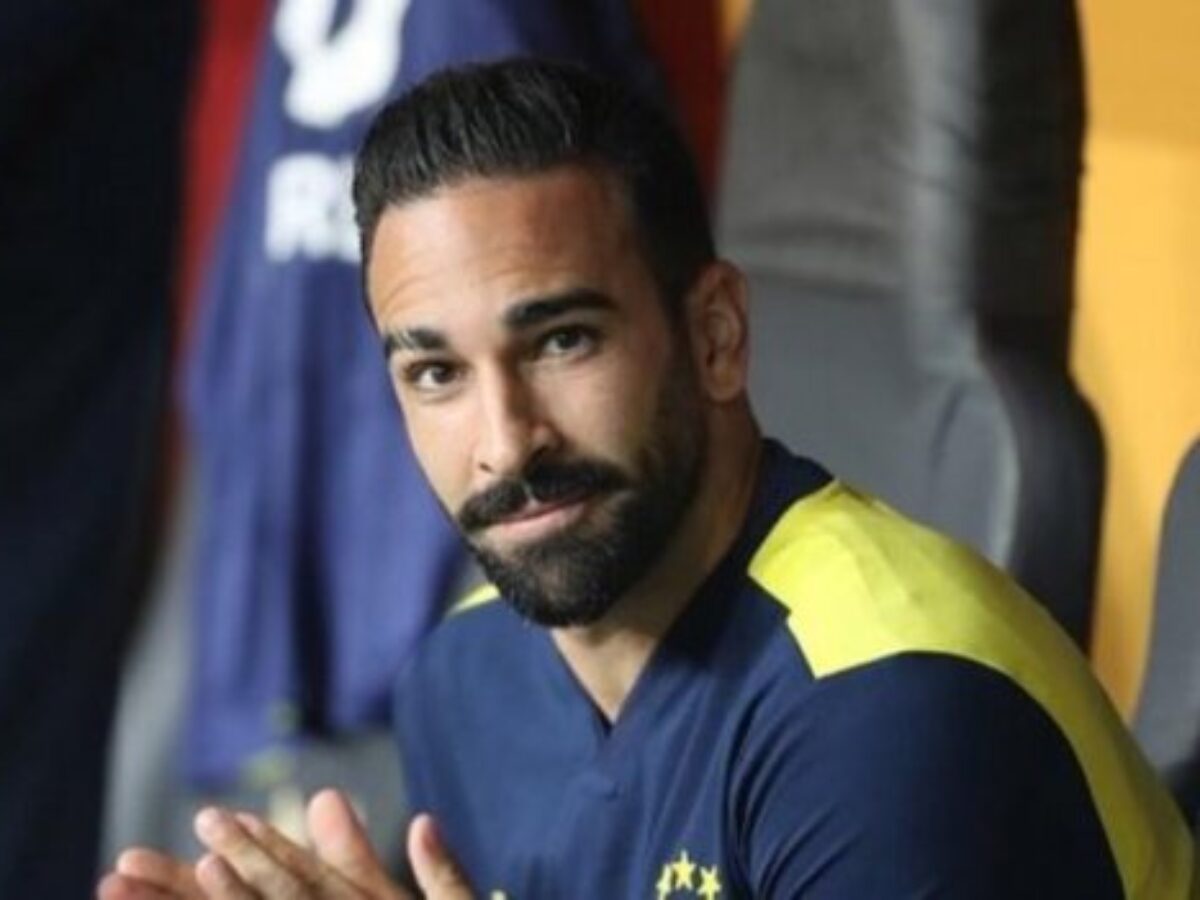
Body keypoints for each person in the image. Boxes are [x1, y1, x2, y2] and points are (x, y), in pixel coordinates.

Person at [99, 58, 1195, 900]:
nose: (505, 443)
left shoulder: (888, 710)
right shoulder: (464, 680)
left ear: (715, 335)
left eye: (562, 341)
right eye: (437, 373)